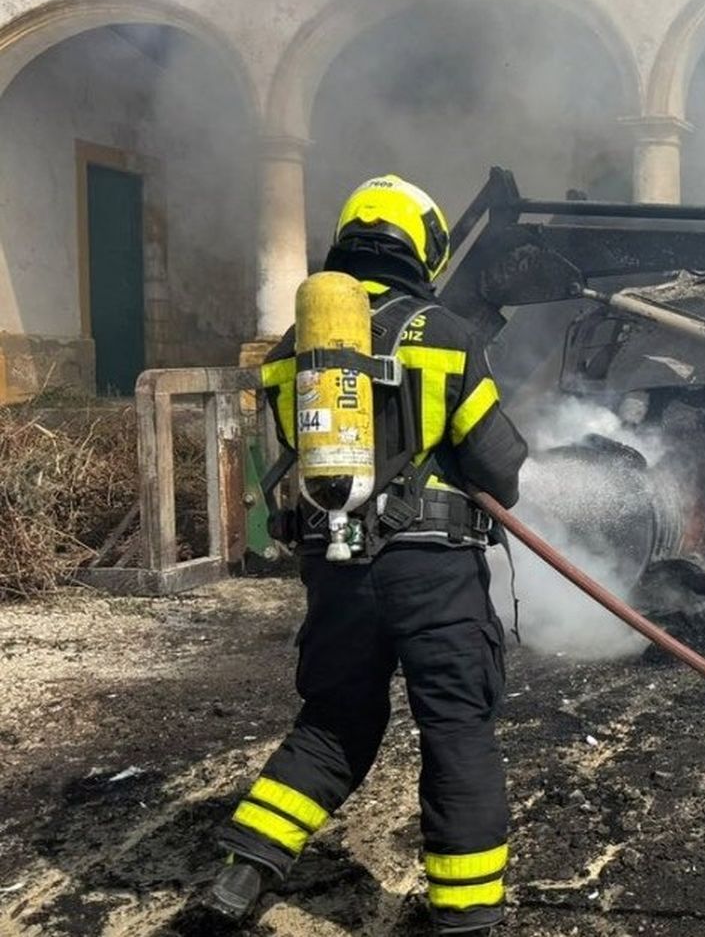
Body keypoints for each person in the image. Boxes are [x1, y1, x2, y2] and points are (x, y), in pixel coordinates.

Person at [205, 175, 528, 935]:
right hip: (433, 571)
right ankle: (466, 913)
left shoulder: (297, 347)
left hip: (337, 564)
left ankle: (244, 869)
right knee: (456, 727)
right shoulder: (446, 334)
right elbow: (500, 467)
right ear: (423, 247)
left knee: (335, 718)